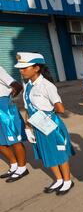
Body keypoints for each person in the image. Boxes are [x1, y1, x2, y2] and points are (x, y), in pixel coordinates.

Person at [16, 52, 75, 194]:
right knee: (46, 153)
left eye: (25, 68)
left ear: (36, 68)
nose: (21, 71)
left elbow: (60, 108)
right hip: (37, 125)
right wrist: (28, 127)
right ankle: (59, 179)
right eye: (20, 68)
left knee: (59, 153)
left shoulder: (46, 85)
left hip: (50, 125)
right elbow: (27, 108)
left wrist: (45, 115)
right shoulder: (27, 86)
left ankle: (67, 181)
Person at [0, 66, 28, 182]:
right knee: (1, 141)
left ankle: (22, 168)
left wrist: (8, 102)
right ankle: (14, 165)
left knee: (14, 139)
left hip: (4, 107)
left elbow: (17, 85)